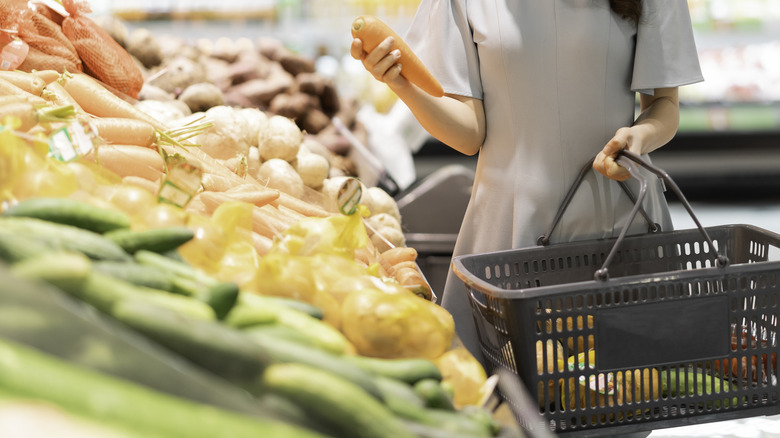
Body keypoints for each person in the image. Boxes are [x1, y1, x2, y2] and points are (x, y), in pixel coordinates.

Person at [351, 0, 703, 367]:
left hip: (621, 218)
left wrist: (638, 137)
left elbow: (664, 104)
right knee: (511, 393)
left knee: (629, 392)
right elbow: (470, 133)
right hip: (512, 227)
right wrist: (400, 82)